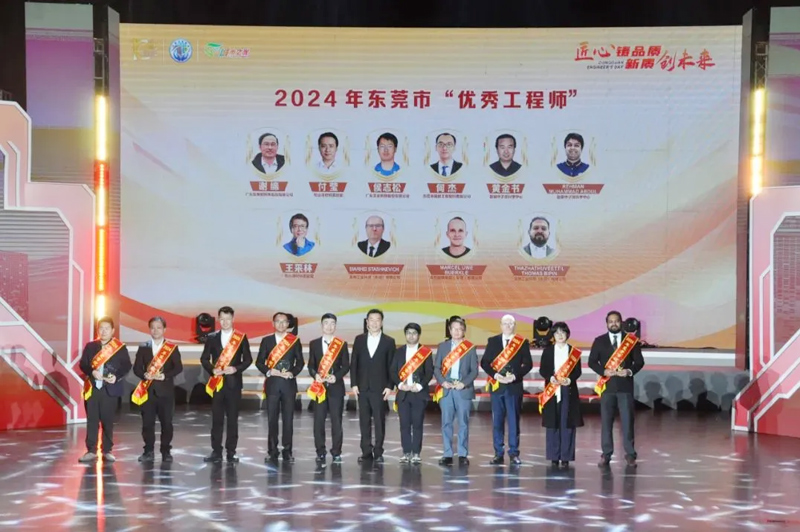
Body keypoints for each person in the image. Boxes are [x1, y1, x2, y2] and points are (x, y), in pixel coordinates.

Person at [588, 310, 645, 468]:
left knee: (627, 422)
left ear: (621, 322)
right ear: (607, 324)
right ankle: (606, 454)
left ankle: (630, 454)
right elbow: (592, 362)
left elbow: (639, 362)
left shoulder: (631, 341)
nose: (614, 324)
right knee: (606, 423)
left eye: (616, 321)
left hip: (625, 387)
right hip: (607, 387)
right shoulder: (599, 341)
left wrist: (629, 371)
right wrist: (603, 371)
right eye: (611, 321)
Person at [200, 306, 253, 463]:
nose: (225, 322)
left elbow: (248, 360)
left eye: (228, 319)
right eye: (222, 319)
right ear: (218, 319)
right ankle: (216, 451)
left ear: (233, 319)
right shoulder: (212, 337)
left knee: (232, 419)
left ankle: (231, 452)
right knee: (217, 419)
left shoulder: (241, 338)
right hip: (217, 384)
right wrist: (212, 369)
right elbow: (204, 358)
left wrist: (235, 368)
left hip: (233, 384)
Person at [480, 314, 532, 465]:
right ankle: (498, 453)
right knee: (497, 421)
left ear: (514, 325)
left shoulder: (521, 342)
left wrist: (514, 376)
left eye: (511, 323)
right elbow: (485, 363)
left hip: (514, 386)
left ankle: (514, 453)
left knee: (514, 421)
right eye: (505, 323)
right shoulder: (493, 341)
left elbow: (528, 364)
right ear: (500, 325)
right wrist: (496, 375)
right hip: (497, 386)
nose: (508, 326)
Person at [78, 317, 131, 463]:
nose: (103, 331)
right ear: (98, 330)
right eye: (101, 328)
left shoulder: (119, 347)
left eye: (107, 328)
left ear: (113, 330)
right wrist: (92, 372)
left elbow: (126, 365)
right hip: (93, 388)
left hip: (110, 389)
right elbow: (83, 364)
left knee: (108, 421)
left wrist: (117, 377)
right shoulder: (90, 347)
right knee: (92, 420)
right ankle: (91, 451)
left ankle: (107, 450)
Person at [132, 316, 184, 463]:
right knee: (147, 424)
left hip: (165, 392)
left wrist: (165, 376)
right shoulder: (143, 347)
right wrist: (144, 375)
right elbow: (136, 368)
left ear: (164, 329)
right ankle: (148, 451)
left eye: (159, 328)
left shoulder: (171, 348)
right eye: (153, 328)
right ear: (149, 329)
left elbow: (178, 367)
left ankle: (166, 451)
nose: (155, 330)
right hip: (147, 391)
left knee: (166, 423)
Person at [256, 312, 305, 463]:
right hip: (272, 385)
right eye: (278, 321)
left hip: (288, 385)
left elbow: (300, 362)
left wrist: (292, 373)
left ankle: (287, 451)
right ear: (273, 323)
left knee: (288, 420)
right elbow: (259, 362)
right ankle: (272, 451)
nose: (281, 324)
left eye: (284, 322)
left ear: (288, 324)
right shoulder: (267, 341)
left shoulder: (294, 341)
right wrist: (269, 371)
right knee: (272, 420)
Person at [350, 309, 397, 463]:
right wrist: (354, 383)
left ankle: (378, 451)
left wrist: (390, 386)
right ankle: (366, 451)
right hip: (362, 387)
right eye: (372, 319)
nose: (374, 323)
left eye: (378, 320)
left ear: (382, 322)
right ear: (367, 322)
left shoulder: (389, 341)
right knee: (364, 421)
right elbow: (354, 362)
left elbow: (392, 366)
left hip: (380, 388)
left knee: (379, 421)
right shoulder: (359, 339)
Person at [433, 316, 478, 466]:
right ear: (450, 330)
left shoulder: (470, 348)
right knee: (446, 423)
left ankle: (463, 454)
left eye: (460, 329)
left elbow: (474, 371)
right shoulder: (442, 346)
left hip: (462, 389)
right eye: (454, 329)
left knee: (463, 423)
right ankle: (447, 454)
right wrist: (443, 382)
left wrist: (463, 383)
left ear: (464, 331)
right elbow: (437, 368)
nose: (457, 332)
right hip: (446, 389)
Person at [538, 321, 583, 469]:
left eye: (563, 332)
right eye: (557, 333)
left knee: (567, 423)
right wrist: (550, 377)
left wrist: (569, 380)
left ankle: (566, 457)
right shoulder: (548, 351)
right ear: (553, 335)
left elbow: (577, 371)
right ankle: (553, 456)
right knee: (553, 423)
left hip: (568, 390)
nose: (560, 335)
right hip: (552, 390)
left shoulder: (573, 352)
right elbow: (543, 370)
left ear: (567, 334)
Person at [307, 313, 351, 464]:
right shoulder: (314, 344)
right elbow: (311, 365)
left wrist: (336, 376)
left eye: (332, 323)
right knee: (318, 421)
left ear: (335, 326)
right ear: (321, 325)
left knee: (336, 422)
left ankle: (336, 452)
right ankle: (320, 451)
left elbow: (346, 366)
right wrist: (315, 375)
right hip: (319, 387)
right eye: (326, 323)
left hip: (336, 387)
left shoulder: (341, 344)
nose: (329, 326)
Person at [391, 323, 433, 464]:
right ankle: (406, 452)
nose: (411, 336)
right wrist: (400, 385)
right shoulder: (398, 352)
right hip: (403, 393)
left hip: (418, 394)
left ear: (419, 335)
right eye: (408, 333)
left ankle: (416, 453)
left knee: (417, 424)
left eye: (414, 333)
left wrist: (420, 386)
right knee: (404, 424)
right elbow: (392, 371)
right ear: (405, 335)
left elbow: (429, 372)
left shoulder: (425, 352)